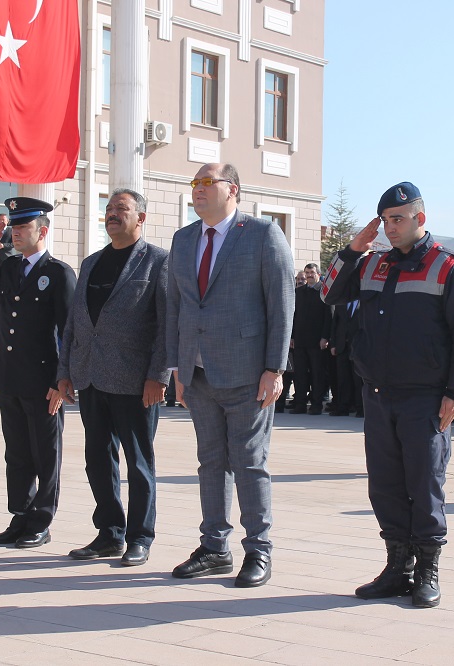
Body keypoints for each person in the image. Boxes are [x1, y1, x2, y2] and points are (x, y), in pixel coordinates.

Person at [321, 181, 454, 609]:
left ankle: (427, 568)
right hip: (378, 393)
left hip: (426, 397)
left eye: (397, 219)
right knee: (386, 485)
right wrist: (353, 249)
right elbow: (329, 292)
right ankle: (397, 566)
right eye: (385, 221)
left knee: (424, 482)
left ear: (419, 219)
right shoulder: (374, 265)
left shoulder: (449, 267)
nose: (390, 228)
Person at [165, 163, 294, 587]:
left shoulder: (261, 235)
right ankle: (214, 548)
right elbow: (176, 308)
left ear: (232, 190)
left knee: (250, 463)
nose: (198, 190)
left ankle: (258, 550)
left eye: (207, 183)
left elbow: (282, 305)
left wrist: (274, 368)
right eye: (195, 184)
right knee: (210, 463)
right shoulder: (184, 239)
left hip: (247, 371)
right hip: (198, 374)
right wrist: (177, 368)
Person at [57, 189, 169, 567]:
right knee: (97, 459)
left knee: (138, 462)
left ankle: (140, 537)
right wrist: (64, 372)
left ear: (141, 218)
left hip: (136, 382)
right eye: (108, 209)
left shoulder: (158, 262)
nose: (112, 215)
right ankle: (109, 533)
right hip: (89, 376)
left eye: (121, 209)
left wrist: (159, 375)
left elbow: (167, 327)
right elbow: (74, 323)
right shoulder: (90, 263)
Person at [0, 197, 77, 548]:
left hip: (43, 383)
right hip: (9, 377)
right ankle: (20, 516)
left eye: (23, 228)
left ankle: (41, 520)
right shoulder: (10, 269)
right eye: (14, 228)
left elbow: (69, 331)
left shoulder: (57, 273)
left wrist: (62, 381)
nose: (16, 235)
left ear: (43, 230)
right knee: (17, 453)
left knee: (45, 453)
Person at [290, 263, 332, 415]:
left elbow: (329, 317)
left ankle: (316, 405)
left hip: (317, 342)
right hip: (300, 340)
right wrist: (292, 336)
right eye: (307, 272)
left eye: (312, 272)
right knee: (299, 374)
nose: (308, 275)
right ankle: (300, 404)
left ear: (318, 274)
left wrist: (325, 337)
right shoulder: (298, 292)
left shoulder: (324, 292)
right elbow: (293, 316)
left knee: (317, 374)